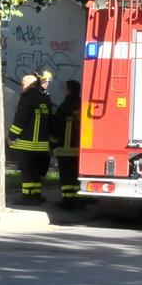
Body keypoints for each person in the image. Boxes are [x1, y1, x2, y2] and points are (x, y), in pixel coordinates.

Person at [9, 72, 52, 205]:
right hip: (42, 145)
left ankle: (27, 197)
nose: (21, 87)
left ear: (29, 84)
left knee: (27, 171)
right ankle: (36, 195)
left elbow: (20, 120)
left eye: (22, 84)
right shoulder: (45, 98)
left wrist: (11, 136)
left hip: (26, 144)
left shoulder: (26, 98)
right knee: (37, 172)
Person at [50, 79, 82, 209]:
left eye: (65, 88)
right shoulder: (82, 104)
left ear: (68, 90)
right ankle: (78, 199)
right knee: (76, 175)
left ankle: (67, 201)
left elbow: (57, 126)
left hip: (66, 148)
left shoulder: (64, 106)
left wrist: (52, 143)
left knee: (66, 176)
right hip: (80, 149)